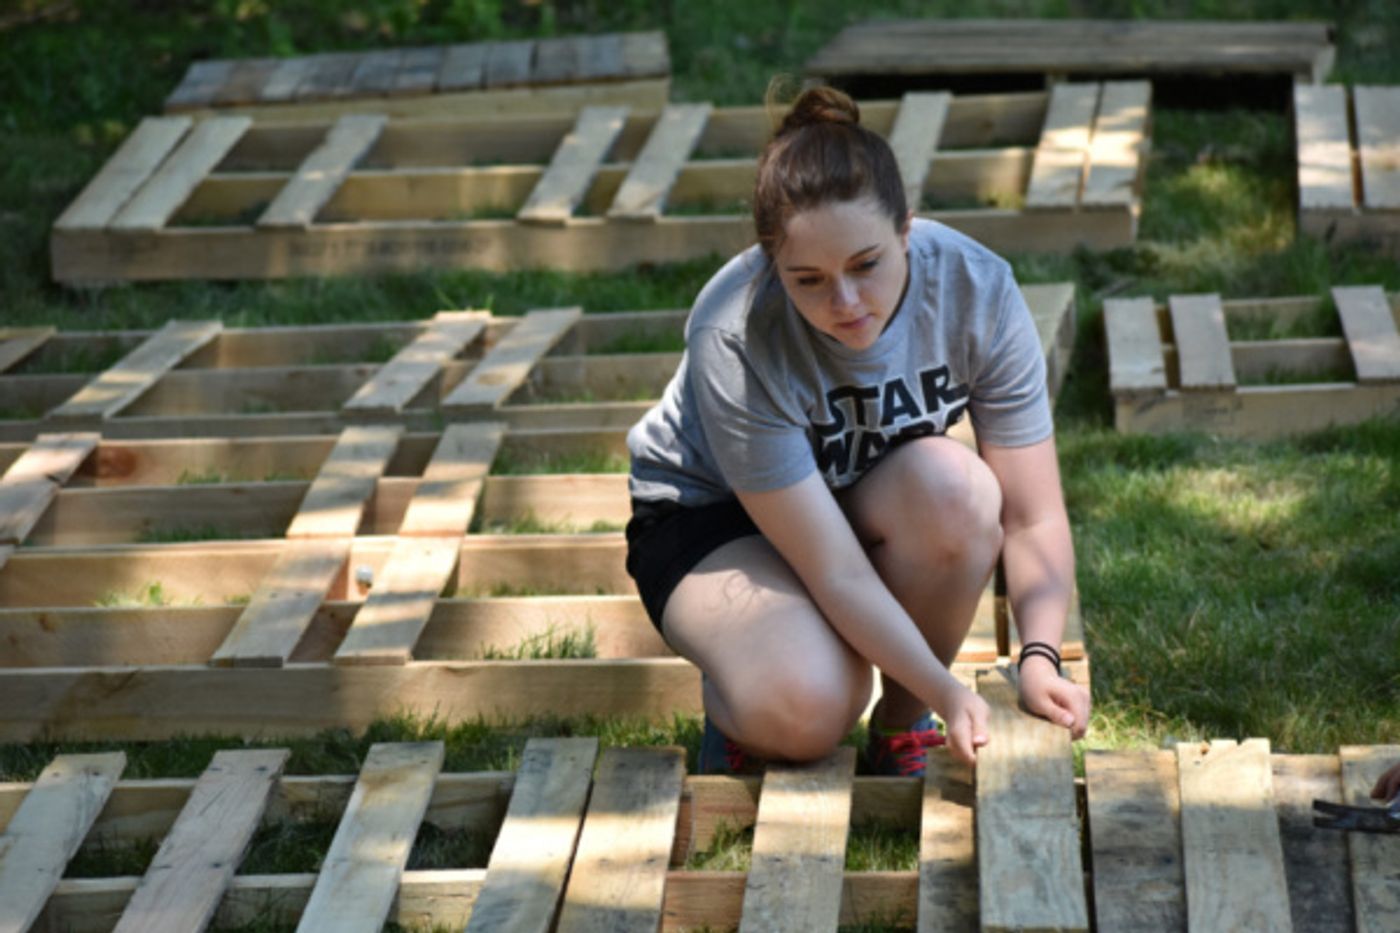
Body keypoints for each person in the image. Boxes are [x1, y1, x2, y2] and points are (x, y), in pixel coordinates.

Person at [624, 85, 1090, 775]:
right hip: (712, 516)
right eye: (808, 279)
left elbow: (1032, 516)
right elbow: (835, 568)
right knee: (809, 706)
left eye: (866, 265)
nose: (845, 303)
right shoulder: (735, 327)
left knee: (960, 494)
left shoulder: (976, 289)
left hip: (854, 484)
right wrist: (950, 682)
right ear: (771, 263)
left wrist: (1040, 656)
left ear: (907, 229)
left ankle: (901, 726)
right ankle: (748, 704)